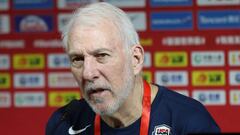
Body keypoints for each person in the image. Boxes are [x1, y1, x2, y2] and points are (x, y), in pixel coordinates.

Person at [46, 2, 220, 135]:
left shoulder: (189, 122)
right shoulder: (63, 123)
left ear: (135, 59)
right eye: (77, 59)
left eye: (102, 55)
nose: (88, 73)